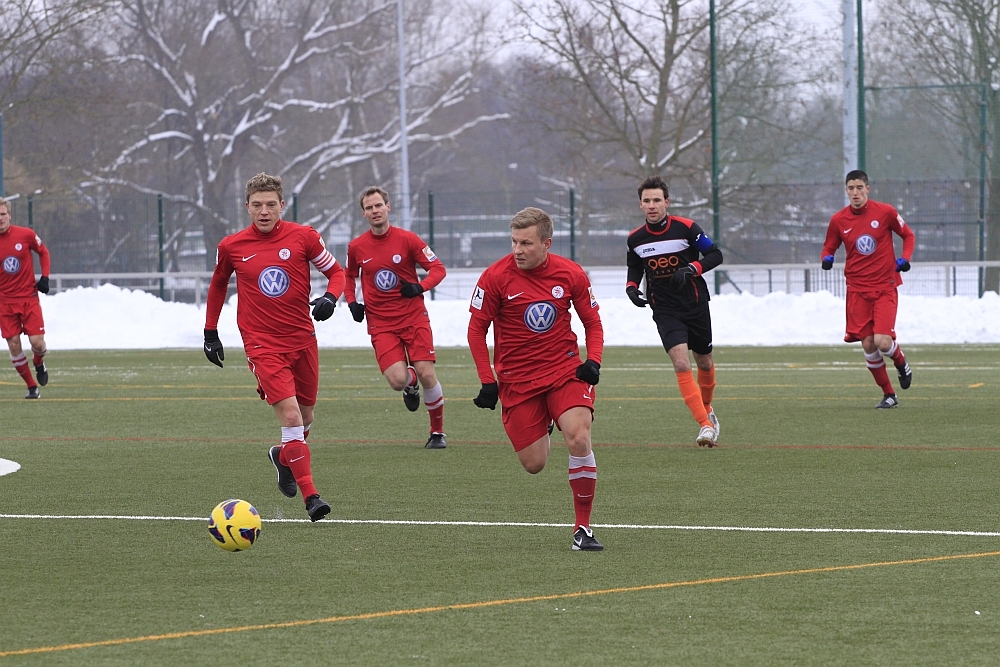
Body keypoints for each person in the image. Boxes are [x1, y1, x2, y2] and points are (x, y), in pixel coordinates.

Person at [203, 173, 345, 521]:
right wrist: (210, 331)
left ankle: (283, 458)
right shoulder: (231, 246)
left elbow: (338, 273)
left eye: (270, 205)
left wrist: (330, 297)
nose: (264, 212)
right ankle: (312, 498)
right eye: (257, 205)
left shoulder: (304, 237)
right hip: (262, 344)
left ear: (282, 205)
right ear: (247, 207)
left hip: (302, 340)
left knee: (307, 416)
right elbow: (218, 286)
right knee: (293, 417)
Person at [468, 207, 605, 551]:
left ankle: (582, 529)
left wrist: (593, 362)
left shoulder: (570, 273)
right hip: (517, 380)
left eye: (526, 243)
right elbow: (476, 330)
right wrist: (487, 380)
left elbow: (593, 322)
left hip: (564, 371)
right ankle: (544, 422)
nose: (518, 249)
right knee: (534, 465)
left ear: (546, 243)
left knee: (578, 437)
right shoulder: (494, 277)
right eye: (514, 242)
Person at [345, 186, 448, 449]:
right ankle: (409, 385)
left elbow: (437, 269)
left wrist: (420, 287)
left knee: (426, 372)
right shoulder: (356, 246)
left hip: (413, 317)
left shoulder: (408, 240)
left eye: (378, 205)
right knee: (397, 380)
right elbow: (349, 276)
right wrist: (352, 302)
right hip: (381, 323)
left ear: (388, 207)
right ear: (364, 214)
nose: (375, 210)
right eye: (369, 208)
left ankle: (437, 433)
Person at [626, 176, 724, 447]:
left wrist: (693, 268)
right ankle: (705, 425)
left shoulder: (688, 228)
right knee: (681, 363)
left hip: (694, 303)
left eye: (657, 200)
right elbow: (634, 267)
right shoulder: (635, 239)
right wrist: (632, 288)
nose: (652, 205)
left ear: (666, 202)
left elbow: (715, 255)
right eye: (647, 201)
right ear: (641, 205)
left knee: (704, 361)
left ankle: (708, 409)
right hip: (664, 308)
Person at [822, 169, 915, 408]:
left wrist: (905, 258)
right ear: (846, 191)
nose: (855, 192)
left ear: (867, 189)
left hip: (885, 286)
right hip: (857, 290)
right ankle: (889, 395)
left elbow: (908, 235)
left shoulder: (885, 212)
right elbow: (829, 247)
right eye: (851, 188)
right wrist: (827, 258)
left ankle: (901, 361)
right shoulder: (838, 220)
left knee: (883, 342)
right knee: (868, 344)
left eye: (859, 188)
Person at [0, 198, 51, 399]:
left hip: (28, 298)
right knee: (13, 344)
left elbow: (43, 252)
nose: (0, 219)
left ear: (9, 215)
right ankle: (31, 387)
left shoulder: (26, 235)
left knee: (37, 343)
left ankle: (39, 363)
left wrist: (45, 277)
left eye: (3, 214)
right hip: (5, 302)